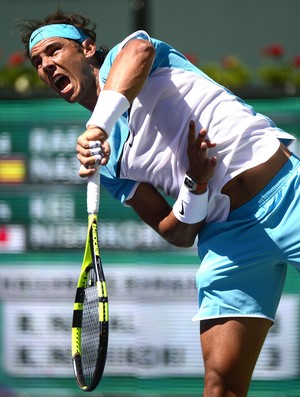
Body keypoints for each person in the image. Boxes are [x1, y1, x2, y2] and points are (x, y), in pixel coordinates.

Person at [19, 8, 300, 397]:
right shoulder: (109, 162)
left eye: (54, 51)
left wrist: (98, 125)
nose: (46, 65)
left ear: (86, 49)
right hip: (229, 238)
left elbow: (138, 53)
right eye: (37, 62)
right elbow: (178, 232)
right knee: (221, 385)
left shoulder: (128, 56)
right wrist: (194, 185)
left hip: (286, 191)